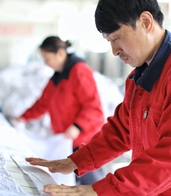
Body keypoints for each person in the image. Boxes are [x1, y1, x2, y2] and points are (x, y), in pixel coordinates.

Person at [25, 0, 171, 196]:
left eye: (117, 38)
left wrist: (103, 191)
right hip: (156, 194)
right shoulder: (139, 78)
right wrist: (76, 161)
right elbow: (121, 130)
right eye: (109, 41)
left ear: (145, 22)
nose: (115, 51)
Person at [15, 36, 105, 185]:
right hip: (67, 141)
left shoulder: (79, 71)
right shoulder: (57, 77)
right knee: (73, 184)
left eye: (48, 58)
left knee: (92, 185)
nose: (46, 63)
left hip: (84, 142)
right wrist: (23, 117)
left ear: (61, 54)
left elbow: (93, 107)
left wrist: (77, 127)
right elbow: (43, 103)